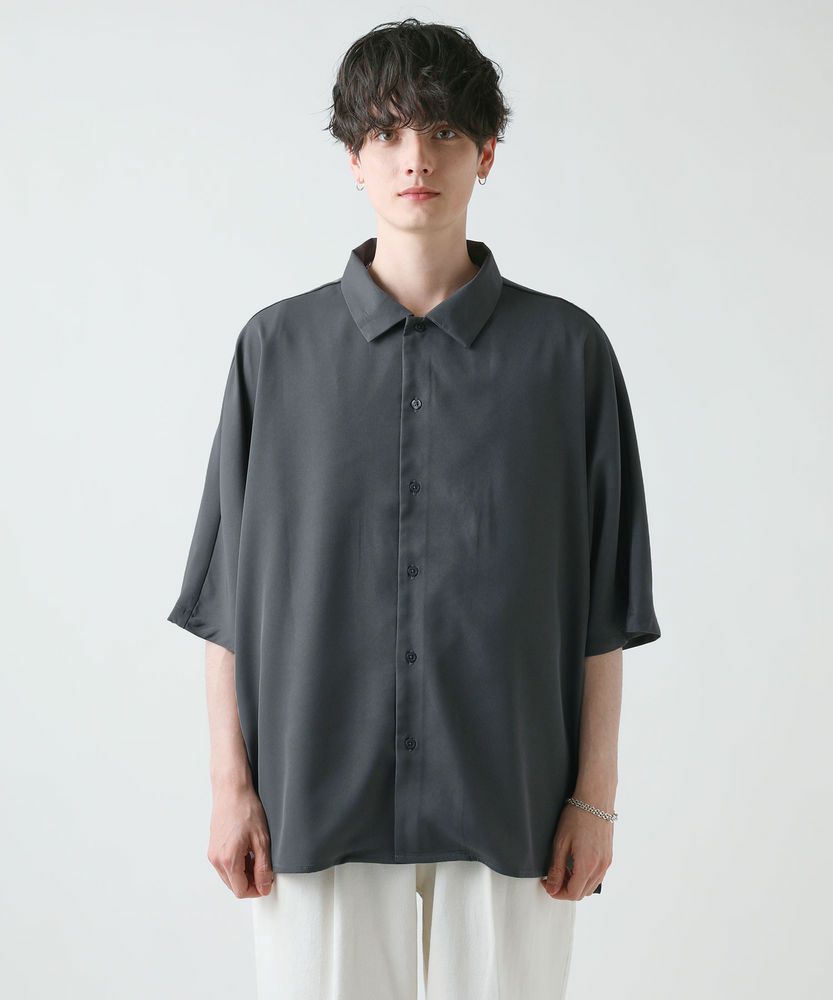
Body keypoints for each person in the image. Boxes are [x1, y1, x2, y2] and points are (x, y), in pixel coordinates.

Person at [167, 17, 661, 1000]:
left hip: (514, 797)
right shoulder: (275, 352)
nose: (416, 159)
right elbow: (226, 602)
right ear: (352, 158)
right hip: (315, 795)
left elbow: (603, 606)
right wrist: (229, 788)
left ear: (487, 152)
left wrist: (594, 798)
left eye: (442, 131)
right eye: (387, 133)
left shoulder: (567, 357)